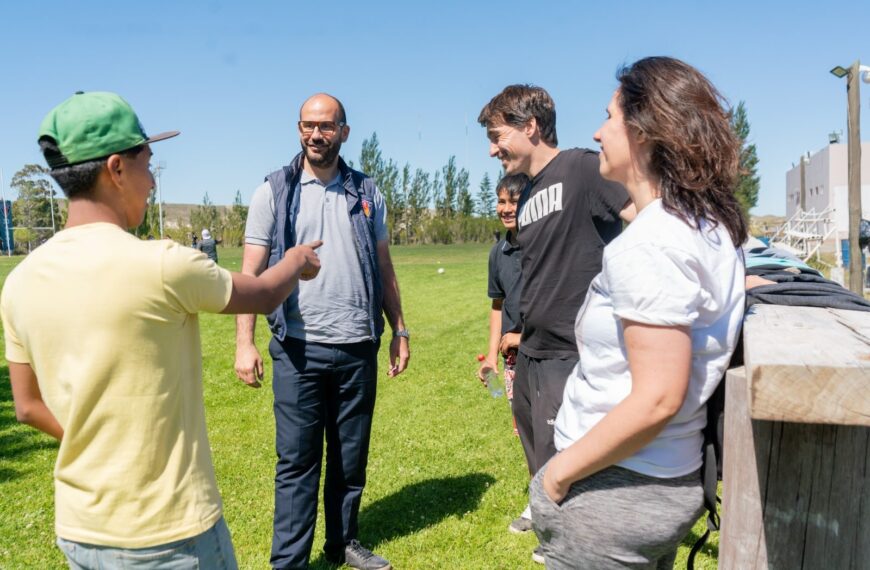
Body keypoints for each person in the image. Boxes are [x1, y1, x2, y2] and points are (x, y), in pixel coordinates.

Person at [2, 91, 322, 569]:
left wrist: (95, 440)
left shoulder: (21, 281)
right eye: (148, 163)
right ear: (115, 168)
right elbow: (261, 293)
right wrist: (296, 259)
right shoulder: (162, 264)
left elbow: (27, 406)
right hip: (169, 536)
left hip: (80, 532)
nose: (152, 180)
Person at [529, 57, 748, 569]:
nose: (598, 131)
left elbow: (657, 398)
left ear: (645, 133)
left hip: (615, 488)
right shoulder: (705, 224)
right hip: (662, 477)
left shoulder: (651, 244)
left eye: (610, 117)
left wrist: (557, 475)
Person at [234, 93, 410, 570]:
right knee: (296, 462)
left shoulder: (367, 192)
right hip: (298, 348)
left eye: (326, 126)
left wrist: (399, 328)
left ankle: (344, 543)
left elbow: (383, 263)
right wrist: (245, 342)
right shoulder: (273, 190)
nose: (316, 134)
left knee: (350, 459)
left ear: (343, 132)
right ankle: (288, 562)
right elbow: (251, 273)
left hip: (357, 346)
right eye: (308, 125)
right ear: (298, 129)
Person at [478, 84, 635, 563]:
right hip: (532, 351)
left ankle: (571, 549)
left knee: (567, 462)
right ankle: (556, 538)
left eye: (497, 134)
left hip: (572, 353)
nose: (492, 148)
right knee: (537, 456)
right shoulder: (528, 197)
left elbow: (644, 217)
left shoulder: (582, 169)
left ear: (530, 127)